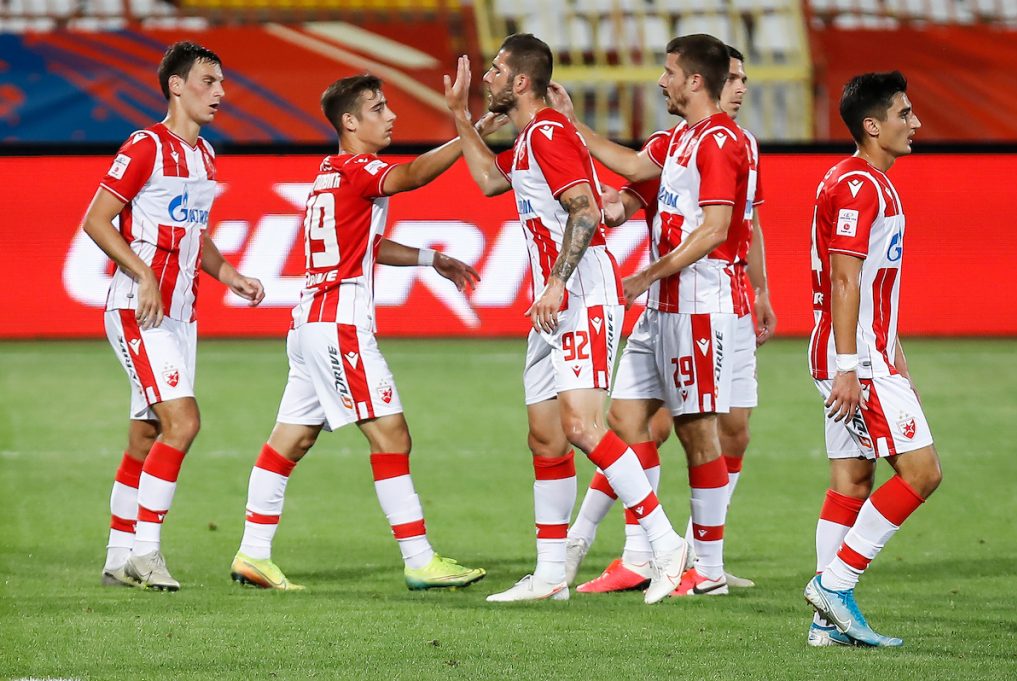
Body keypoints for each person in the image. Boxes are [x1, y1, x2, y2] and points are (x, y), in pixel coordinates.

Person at [230, 74, 499, 592]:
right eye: (378, 108)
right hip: (339, 324)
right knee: (391, 435)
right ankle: (419, 559)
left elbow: (365, 244)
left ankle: (253, 553)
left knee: (291, 439)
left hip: (310, 323)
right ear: (350, 122)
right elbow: (416, 175)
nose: (391, 115)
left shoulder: (329, 174)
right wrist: (470, 125)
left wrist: (431, 257)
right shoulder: (358, 169)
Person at [444, 34, 688, 604]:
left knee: (581, 426)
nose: (488, 77)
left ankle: (666, 543)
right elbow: (486, 181)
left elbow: (584, 212)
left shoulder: (549, 132)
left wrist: (556, 284)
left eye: (498, 70)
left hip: (578, 291)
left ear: (521, 82)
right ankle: (552, 573)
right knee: (546, 436)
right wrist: (460, 115)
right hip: (551, 301)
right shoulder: (532, 137)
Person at [554, 45, 777, 594]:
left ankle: (708, 572)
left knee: (699, 432)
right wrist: (571, 124)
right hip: (664, 309)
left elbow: (717, 229)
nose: (660, 81)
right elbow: (631, 166)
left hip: (702, 304)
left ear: (695, 81)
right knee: (627, 422)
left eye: (669, 73)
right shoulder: (678, 139)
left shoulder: (724, 143)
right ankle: (645, 553)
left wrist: (646, 274)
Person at [83, 41, 266, 591]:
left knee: (146, 435)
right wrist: (142, 274)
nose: (221, 92)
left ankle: (119, 557)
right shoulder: (145, 145)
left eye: (222, 81)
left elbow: (193, 231)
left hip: (182, 315)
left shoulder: (206, 155)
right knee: (183, 422)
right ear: (176, 86)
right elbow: (96, 220)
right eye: (209, 80)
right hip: (140, 312)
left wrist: (227, 273)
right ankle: (146, 552)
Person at [802, 71, 941, 647]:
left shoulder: (862, 180)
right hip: (855, 358)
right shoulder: (859, 185)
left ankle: (823, 626)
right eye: (904, 114)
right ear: (872, 125)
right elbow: (844, 277)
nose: (916, 123)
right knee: (922, 472)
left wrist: (893, 348)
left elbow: (876, 281)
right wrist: (851, 365)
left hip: (864, 351)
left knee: (852, 480)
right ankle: (834, 586)